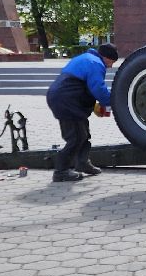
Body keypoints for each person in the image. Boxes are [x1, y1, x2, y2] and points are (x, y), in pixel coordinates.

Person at [45, 43, 119, 182]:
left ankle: (82, 163)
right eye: (111, 62)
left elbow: (85, 86)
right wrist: (112, 102)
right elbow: (98, 88)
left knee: (83, 134)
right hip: (66, 100)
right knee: (76, 137)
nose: (110, 66)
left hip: (64, 98)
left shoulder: (87, 58)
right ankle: (61, 171)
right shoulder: (96, 63)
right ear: (105, 57)